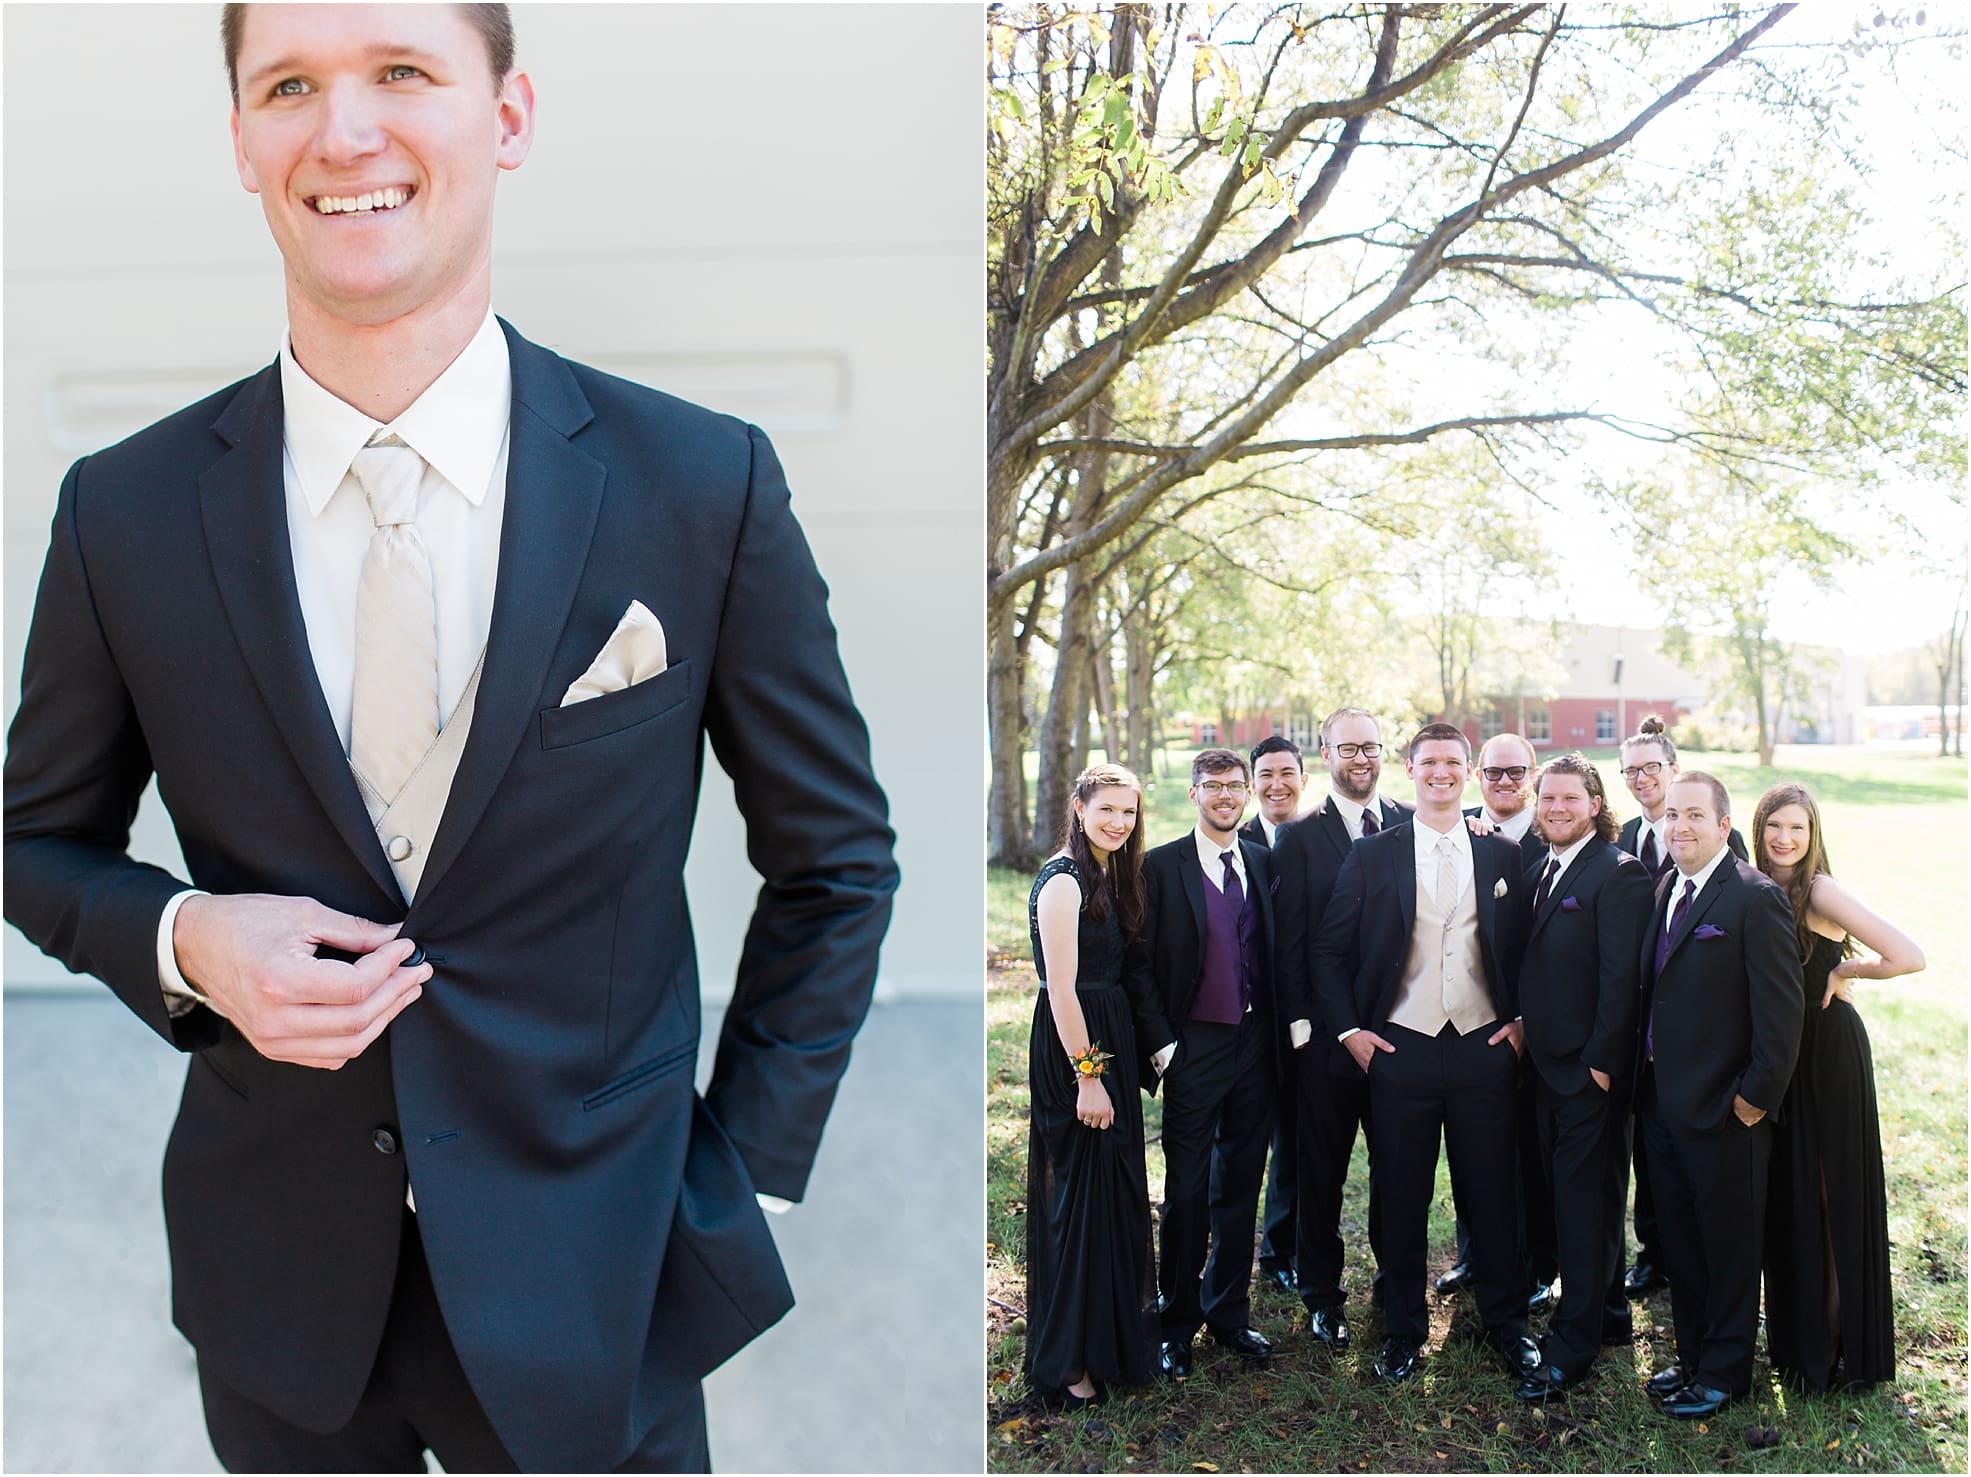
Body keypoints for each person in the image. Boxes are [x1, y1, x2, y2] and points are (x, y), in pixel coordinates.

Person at [1, 7, 897, 1472]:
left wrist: (748, 1173)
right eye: (290, 85)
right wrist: (187, 940)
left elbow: (837, 863)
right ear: (241, 140)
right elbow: (34, 842)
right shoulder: (125, 513)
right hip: (279, 1286)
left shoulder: (698, 482)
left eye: (403, 71)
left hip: (603, 1267)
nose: (344, 130)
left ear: (510, 115)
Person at [1311, 723, 1538, 1387]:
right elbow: (1327, 949)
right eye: (1428, 761)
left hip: (1482, 1046)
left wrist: (1521, 1022)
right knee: (1400, 1194)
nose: (1441, 772)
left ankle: (1506, 1324)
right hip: (1399, 1048)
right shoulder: (1373, 854)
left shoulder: (1500, 855)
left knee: (1492, 1193)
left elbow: (1527, 947)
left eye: (1452, 762)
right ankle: (1402, 1330)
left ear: (1467, 772)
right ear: (1409, 770)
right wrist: (1351, 1032)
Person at [1635, 773, 1801, 1419]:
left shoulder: (1754, 898)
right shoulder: (1665, 887)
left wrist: (1752, 1099)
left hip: (1727, 1112)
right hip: (1661, 1104)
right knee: (1681, 1243)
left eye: (1695, 815)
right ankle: (1693, 1355)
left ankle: (1726, 1373)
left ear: (1723, 825)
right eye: (1673, 814)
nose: (1680, 826)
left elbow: (1780, 1017)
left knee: (1729, 1248)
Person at [1753, 782, 1924, 1393]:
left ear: (1813, 834)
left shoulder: (1818, 890)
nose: (1784, 838)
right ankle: (1800, 1341)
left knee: (1828, 1194)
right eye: (1775, 825)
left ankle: (1833, 1346)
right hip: (1782, 1059)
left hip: (1827, 1051)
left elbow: (1907, 954)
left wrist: (1847, 968)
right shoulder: (1753, 882)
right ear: (1758, 827)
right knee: (1792, 1193)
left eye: (1796, 828)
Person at [1129, 749, 1280, 1376]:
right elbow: (1137, 963)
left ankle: (1229, 1313)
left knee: (1241, 1184)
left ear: (1247, 793)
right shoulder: (1160, 867)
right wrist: (1164, 1046)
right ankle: (1176, 1321)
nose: (1225, 795)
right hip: (1192, 1047)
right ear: (1193, 794)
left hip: (1255, 1046)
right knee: (1187, 1191)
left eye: (1234, 785)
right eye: (1213, 785)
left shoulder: (1263, 861)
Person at [1509, 755, 1653, 1401]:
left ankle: (1572, 1347)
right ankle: (1611, 1313)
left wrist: (1599, 1066)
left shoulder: (1617, 872)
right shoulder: (1541, 868)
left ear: (1595, 804)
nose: (1557, 807)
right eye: (1548, 798)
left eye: (1570, 797)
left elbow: (1623, 980)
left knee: (1582, 1208)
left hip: (1588, 1073)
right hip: (1545, 1068)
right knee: (1583, 1201)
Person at [1272, 707, 1409, 1350]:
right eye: (1348, 748)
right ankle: (1322, 1297)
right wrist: (1309, 1033)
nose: (1361, 758)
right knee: (1320, 1176)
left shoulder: (1413, 823)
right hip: (1326, 1042)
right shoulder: (1298, 838)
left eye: (1371, 747)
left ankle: (1392, 1284)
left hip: (1401, 1038)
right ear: (1324, 755)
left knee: (1396, 1173)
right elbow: (1292, 947)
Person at [1024, 764, 1156, 1408]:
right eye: (1106, 809)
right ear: (1079, 807)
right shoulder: (1063, 882)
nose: (1118, 822)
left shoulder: (1108, 872)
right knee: (1076, 1203)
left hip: (1110, 1039)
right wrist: (1090, 1078)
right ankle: (1068, 1361)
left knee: (1109, 1196)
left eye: (1128, 812)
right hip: (1077, 1049)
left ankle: (1108, 1342)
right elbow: (1061, 991)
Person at [1613, 713, 1745, 1302]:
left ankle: (1695, 1266)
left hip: (1700, 1031)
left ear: (1673, 768)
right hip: (1643, 1022)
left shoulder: (1713, 839)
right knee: (1648, 1151)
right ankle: (1653, 1253)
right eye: (1630, 771)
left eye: (1651, 768)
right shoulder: (1621, 839)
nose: (1642, 779)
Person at [1442, 731, 1555, 1309]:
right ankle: (1474, 1254)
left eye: (1516, 772)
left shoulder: (1554, 834)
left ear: (1533, 775)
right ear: (1476, 776)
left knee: (1530, 1152)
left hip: (1534, 1025)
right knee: (1472, 1150)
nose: (1505, 782)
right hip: (1467, 1028)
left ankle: (1536, 1263)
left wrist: (1529, 1018)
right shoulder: (1457, 830)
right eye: (1493, 772)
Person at [1243, 734, 1304, 1295]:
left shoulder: (1315, 838)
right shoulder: (1232, 842)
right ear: (1252, 783)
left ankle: (1282, 1249)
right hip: (1245, 1019)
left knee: (1296, 1137)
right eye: (1266, 774)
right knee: (1240, 1142)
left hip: (1303, 1017)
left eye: (1287, 773)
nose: (1277, 784)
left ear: (1304, 779)